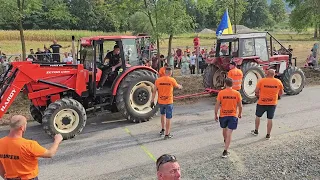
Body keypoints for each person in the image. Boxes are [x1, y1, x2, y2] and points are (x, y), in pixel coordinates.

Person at [0, 115, 63, 180]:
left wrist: (6, 177)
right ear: (22, 128)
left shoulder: (1, 143)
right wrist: (57, 141)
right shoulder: (29, 144)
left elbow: (1, 166)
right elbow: (50, 154)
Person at [251, 69, 284, 139]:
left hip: (262, 102)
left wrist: (258, 96)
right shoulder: (278, 82)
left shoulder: (262, 81)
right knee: (270, 119)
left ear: (267, 73)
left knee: (258, 116)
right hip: (272, 103)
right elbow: (281, 92)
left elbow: (256, 91)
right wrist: (278, 96)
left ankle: (256, 131)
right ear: (274, 74)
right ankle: (268, 135)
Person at [151, 67, 182, 140]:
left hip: (161, 101)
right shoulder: (172, 80)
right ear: (170, 73)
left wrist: (152, 101)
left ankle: (163, 129)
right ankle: (167, 134)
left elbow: (154, 91)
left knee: (162, 115)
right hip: (168, 102)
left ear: (165, 72)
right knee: (168, 117)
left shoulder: (158, 80)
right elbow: (177, 86)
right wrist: (181, 86)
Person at [215, 78, 242, 158]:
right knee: (229, 132)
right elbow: (240, 105)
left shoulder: (221, 93)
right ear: (232, 84)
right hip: (233, 115)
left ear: (225, 84)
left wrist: (215, 114)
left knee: (224, 129)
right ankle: (225, 150)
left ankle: (225, 140)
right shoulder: (237, 93)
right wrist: (240, 113)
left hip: (223, 115)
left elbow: (217, 104)